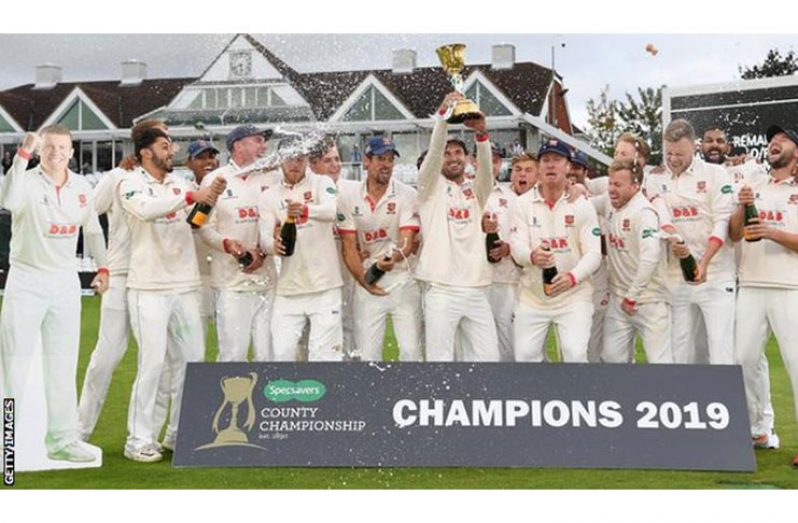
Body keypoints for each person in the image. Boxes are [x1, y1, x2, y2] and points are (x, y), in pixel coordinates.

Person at [0, 126, 109, 463]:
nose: (56, 153)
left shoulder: (81, 187)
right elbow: (8, 200)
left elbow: (92, 229)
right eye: (49, 147)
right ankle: (5, 440)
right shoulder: (25, 180)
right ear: (40, 150)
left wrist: (104, 268)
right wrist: (22, 155)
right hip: (26, 279)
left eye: (63, 147)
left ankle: (62, 440)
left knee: (62, 363)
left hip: (64, 282)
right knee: (13, 362)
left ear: (72, 152)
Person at [118, 127, 225, 462]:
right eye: (165, 146)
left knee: (192, 360)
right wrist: (191, 197)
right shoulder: (130, 183)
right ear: (146, 152)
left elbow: (195, 224)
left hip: (185, 286)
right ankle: (138, 440)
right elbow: (146, 210)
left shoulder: (180, 184)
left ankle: (178, 433)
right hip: (148, 288)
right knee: (152, 363)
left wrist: (208, 201)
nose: (171, 151)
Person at [78, 119, 175, 441]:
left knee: (161, 360)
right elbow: (88, 211)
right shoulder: (118, 176)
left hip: (158, 280)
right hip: (122, 275)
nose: (169, 143)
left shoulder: (170, 179)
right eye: (163, 137)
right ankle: (79, 432)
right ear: (145, 143)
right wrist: (102, 264)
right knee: (106, 357)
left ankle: (151, 436)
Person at [731, 125, 798, 465]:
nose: (774, 142)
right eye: (772, 139)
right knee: (744, 358)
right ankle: (759, 429)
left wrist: (772, 233)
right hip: (751, 283)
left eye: (783, 140)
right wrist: (741, 207)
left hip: (791, 286)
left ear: (796, 153)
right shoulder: (753, 184)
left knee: (796, 363)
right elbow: (733, 233)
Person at [414, 92, 498, 362]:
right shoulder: (429, 188)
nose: (453, 158)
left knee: (488, 359)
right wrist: (442, 120)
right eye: (447, 153)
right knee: (440, 361)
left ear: (466, 158)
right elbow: (433, 155)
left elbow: (487, 172)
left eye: (458, 153)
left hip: (476, 287)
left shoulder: (477, 191)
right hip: (441, 288)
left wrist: (482, 134)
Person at [645, 119, 735, 366]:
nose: (673, 159)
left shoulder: (715, 174)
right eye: (669, 153)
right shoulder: (654, 178)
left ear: (694, 148)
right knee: (679, 350)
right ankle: (682, 392)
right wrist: (675, 241)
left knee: (721, 349)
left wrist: (703, 263)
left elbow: (722, 221)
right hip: (677, 277)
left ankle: (723, 392)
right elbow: (661, 217)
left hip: (716, 273)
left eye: (680, 154)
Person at [510, 138, 601, 362]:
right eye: (546, 160)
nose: (551, 165)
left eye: (557, 160)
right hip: (533, 296)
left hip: (573, 296)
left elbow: (594, 254)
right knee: (525, 356)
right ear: (539, 168)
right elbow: (517, 246)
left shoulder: (582, 204)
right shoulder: (522, 204)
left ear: (568, 166)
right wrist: (532, 256)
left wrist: (572, 277)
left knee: (574, 354)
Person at [258, 135, 343, 361]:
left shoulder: (322, 183)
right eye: (289, 158)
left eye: (299, 158)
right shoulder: (268, 196)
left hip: (325, 287)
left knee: (323, 356)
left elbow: (330, 212)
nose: (295, 163)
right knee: (282, 355)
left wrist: (305, 210)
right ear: (280, 160)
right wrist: (274, 246)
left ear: (306, 159)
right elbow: (264, 240)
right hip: (289, 289)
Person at [337, 136, 422, 361]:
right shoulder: (348, 198)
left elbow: (407, 240)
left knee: (411, 352)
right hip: (368, 279)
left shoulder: (408, 194)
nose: (386, 165)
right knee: (367, 355)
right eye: (380, 159)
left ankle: (410, 386)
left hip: (403, 280)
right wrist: (365, 281)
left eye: (390, 159)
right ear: (366, 161)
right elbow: (348, 247)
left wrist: (392, 258)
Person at [199, 126, 278, 362]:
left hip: (267, 281)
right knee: (233, 356)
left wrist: (262, 252)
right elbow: (202, 226)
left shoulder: (273, 177)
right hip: (230, 283)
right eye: (258, 140)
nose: (264, 146)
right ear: (238, 145)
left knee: (269, 357)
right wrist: (228, 245)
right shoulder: (214, 179)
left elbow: (280, 222)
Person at [598, 159, 671, 363]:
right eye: (610, 183)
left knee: (660, 364)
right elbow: (583, 203)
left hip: (648, 301)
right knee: (612, 359)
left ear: (635, 186)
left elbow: (650, 258)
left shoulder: (644, 213)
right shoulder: (609, 202)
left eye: (618, 185)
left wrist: (632, 296)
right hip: (618, 299)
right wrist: (576, 190)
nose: (612, 189)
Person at [309, 137, 360, 359]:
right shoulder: (305, 192)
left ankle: (351, 374)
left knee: (350, 327)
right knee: (310, 335)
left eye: (337, 159)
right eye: (328, 160)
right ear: (312, 165)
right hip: (314, 278)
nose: (335, 165)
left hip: (347, 274)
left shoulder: (353, 190)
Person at [482, 142, 520, 361]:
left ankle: (509, 380)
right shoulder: (462, 191)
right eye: (486, 159)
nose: (491, 165)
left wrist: (508, 248)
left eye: (495, 160)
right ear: (474, 161)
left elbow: (521, 234)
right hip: (471, 280)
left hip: (505, 278)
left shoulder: (511, 196)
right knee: (475, 341)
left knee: (507, 339)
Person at [185, 139, 222, 328]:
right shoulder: (184, 191)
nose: (208, 162)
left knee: (231, 337)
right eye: (200, 158)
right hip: (197, 275)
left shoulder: (230, 188)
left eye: (211, 157)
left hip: (226, 273)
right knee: (195, 335)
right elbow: (194, 224)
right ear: (189, 163)